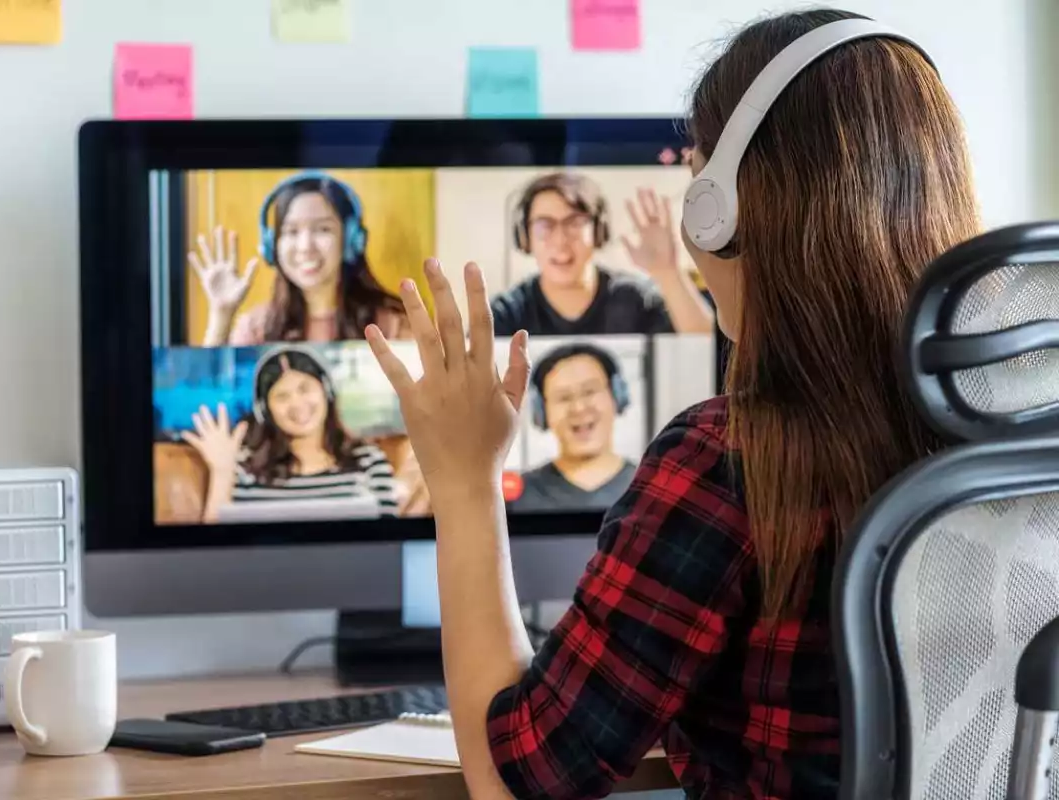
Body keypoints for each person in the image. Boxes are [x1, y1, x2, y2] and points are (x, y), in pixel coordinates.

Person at [363, 9, 980, 799]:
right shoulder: (1012, 430)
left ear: (720, 211)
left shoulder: (732, 465)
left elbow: (515, 786)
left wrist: (460, 478)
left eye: (697, 172)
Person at [181, 346, 400, 522]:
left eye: (305, 389)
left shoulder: (369, 461)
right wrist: (222, 472)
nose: (297, 403)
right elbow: (215, 550)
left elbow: (390, 541)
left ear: (327, 391)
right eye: (282, 396)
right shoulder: (242, 467)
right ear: (265, 410)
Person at [189, 171, 408, 346]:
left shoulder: (393, 325)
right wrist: (222, 315)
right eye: (291, 232)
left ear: (351, 239)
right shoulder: (257, 329)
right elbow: (209, 397)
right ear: (272, 246)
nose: (305, 247)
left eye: (322, 229)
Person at [490, 172, 715, 337]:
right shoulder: (508, 312)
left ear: (599, 230)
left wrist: (668, 273)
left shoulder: (635, 297)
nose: (560, 240)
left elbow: (705, 343)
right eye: (545, 225)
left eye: (574, 223)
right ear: (525, 236)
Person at [510, 343, 635, 512]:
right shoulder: (517, 496)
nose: (578, 408)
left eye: (589, 391)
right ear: (542, 412)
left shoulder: (657, 487)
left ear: (617, 396)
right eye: (563, 398)